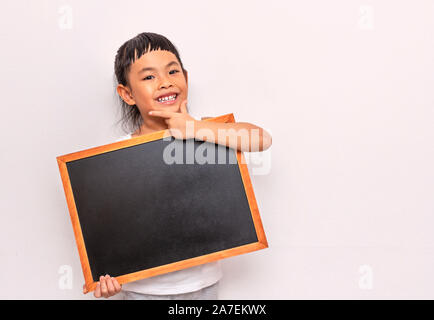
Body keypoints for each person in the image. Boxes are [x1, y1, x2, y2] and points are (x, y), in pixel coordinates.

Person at [83, 32, 272, 300]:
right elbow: (109, 226)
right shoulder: (118, 158)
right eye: (149, 77)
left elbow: (261, 139)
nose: (165, 82)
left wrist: (195, 128)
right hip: (141, 292)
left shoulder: (207, 132)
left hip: (204, 289)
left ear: (186, 77)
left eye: (172, 71)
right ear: (127, 94)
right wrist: (106, 278)